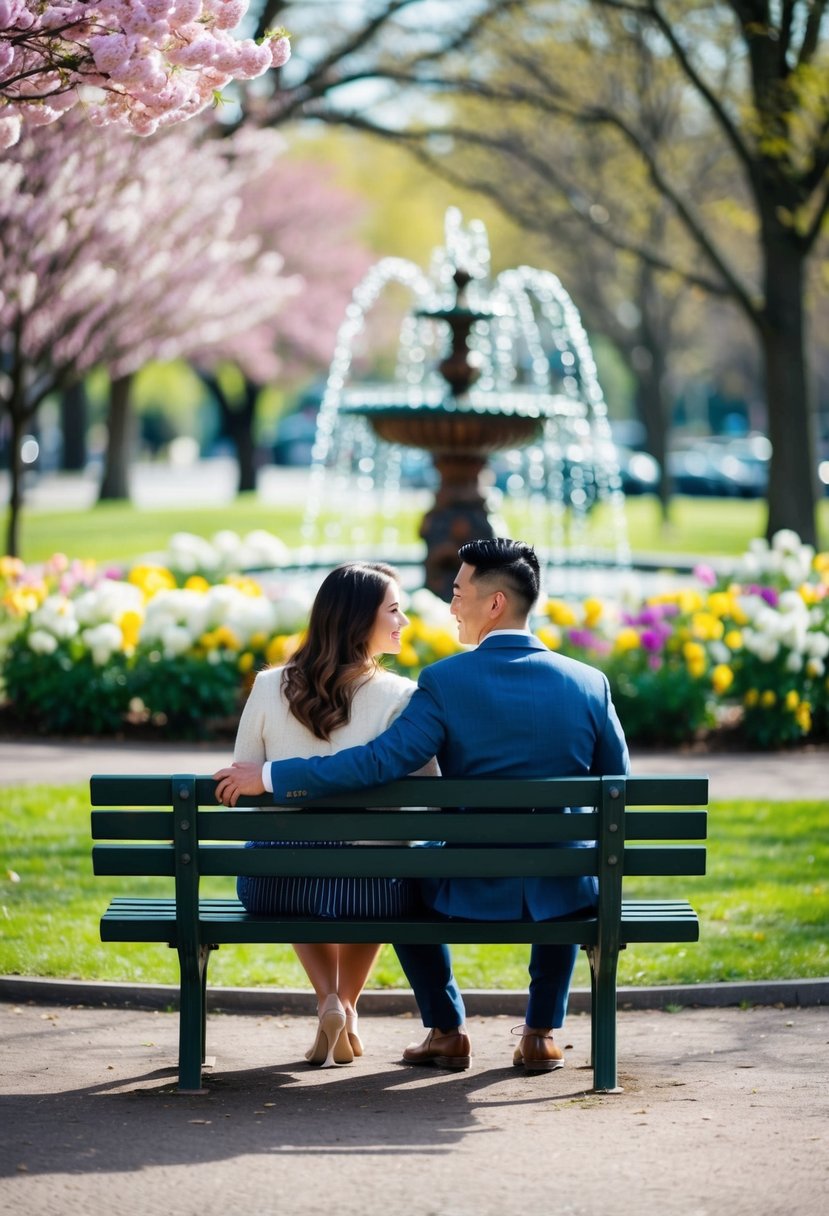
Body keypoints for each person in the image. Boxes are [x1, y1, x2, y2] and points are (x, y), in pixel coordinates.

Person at [215, 538, 629, 1074]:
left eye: (457, 593)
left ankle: (447, 1029)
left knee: (405, 884)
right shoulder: (589, 683)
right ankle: (540, 1035)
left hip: (465, 881)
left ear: (494, 603)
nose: (449, 605)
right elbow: (618, 782)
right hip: (565, 882)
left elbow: (375, 763)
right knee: (562, 872)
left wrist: (272, 776)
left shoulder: (444, 682)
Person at [228, 561, 437, 1069]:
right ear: (358, 619)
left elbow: (241, 778)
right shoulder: (401, 696)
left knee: (289, 862)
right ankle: (346, 1004)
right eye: (394, 610)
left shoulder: (268, 686)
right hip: (374, 886)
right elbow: (429, 795)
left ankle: (327, 1000)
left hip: (276, 883)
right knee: (379, 876)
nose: (404, 621)